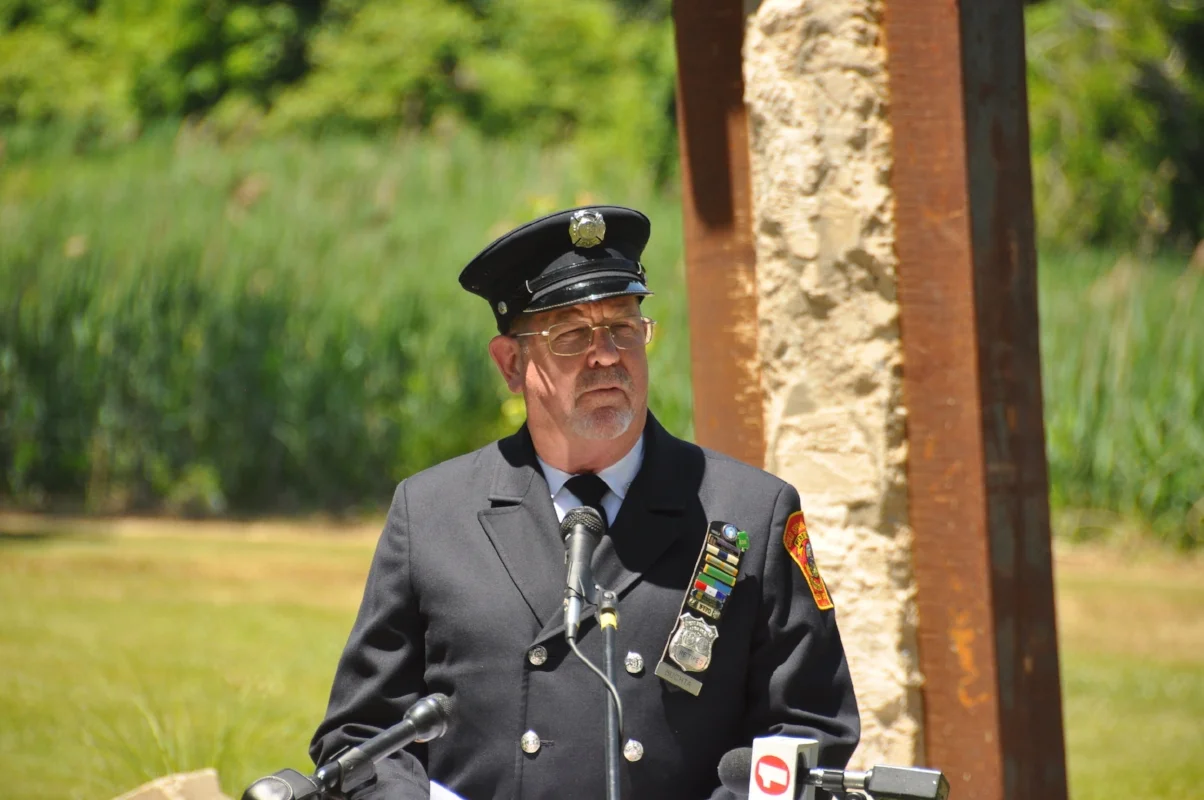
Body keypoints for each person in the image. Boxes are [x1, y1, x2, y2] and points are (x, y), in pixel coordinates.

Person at [309, 205, 859, 799]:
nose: (606, 355)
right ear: (512, 364)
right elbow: (360, 739)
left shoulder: (749, 511)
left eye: (624, 328)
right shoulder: (432, 514)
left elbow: (808, 730)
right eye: (571, 336)